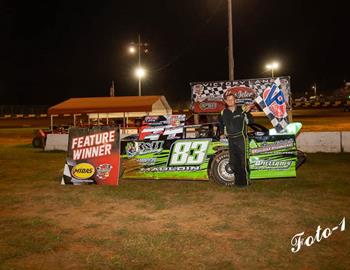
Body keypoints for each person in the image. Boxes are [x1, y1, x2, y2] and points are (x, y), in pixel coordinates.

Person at [219, 93, 254, 187]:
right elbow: (221, 124)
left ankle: (245, 182)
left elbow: (251, 121)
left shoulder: (242, 110)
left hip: (241, 138)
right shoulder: (223, 112)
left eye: (232, 99)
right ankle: (238, 182)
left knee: (243, 161)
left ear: (235, 101)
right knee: (233, 162)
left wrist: (247, 113)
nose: (230, 101)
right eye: (228, 100)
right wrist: (221, 133)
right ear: (225, 102)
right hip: (231, 140)